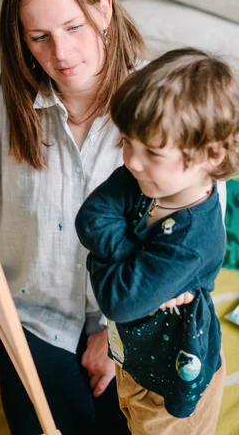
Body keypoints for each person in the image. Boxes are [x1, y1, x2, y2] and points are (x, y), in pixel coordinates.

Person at [0, 0, 200, 434]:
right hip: (31, 311)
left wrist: (116, 337)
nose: (62, 53)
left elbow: (186, 235)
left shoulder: (156, 104)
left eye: (74, 27)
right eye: (39, 37)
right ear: (20, 38)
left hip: (131, 314)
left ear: (104, 10)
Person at [75, 48, 239, 434]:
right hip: (132, 360)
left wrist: (106, 259)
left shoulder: (193, 241)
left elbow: (118, 301)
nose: (131, 160)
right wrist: (132, 262)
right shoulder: (144, 180)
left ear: (210, 155)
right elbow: (89, 217)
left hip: (175, 384)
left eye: (152, 151)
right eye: (128, 142)